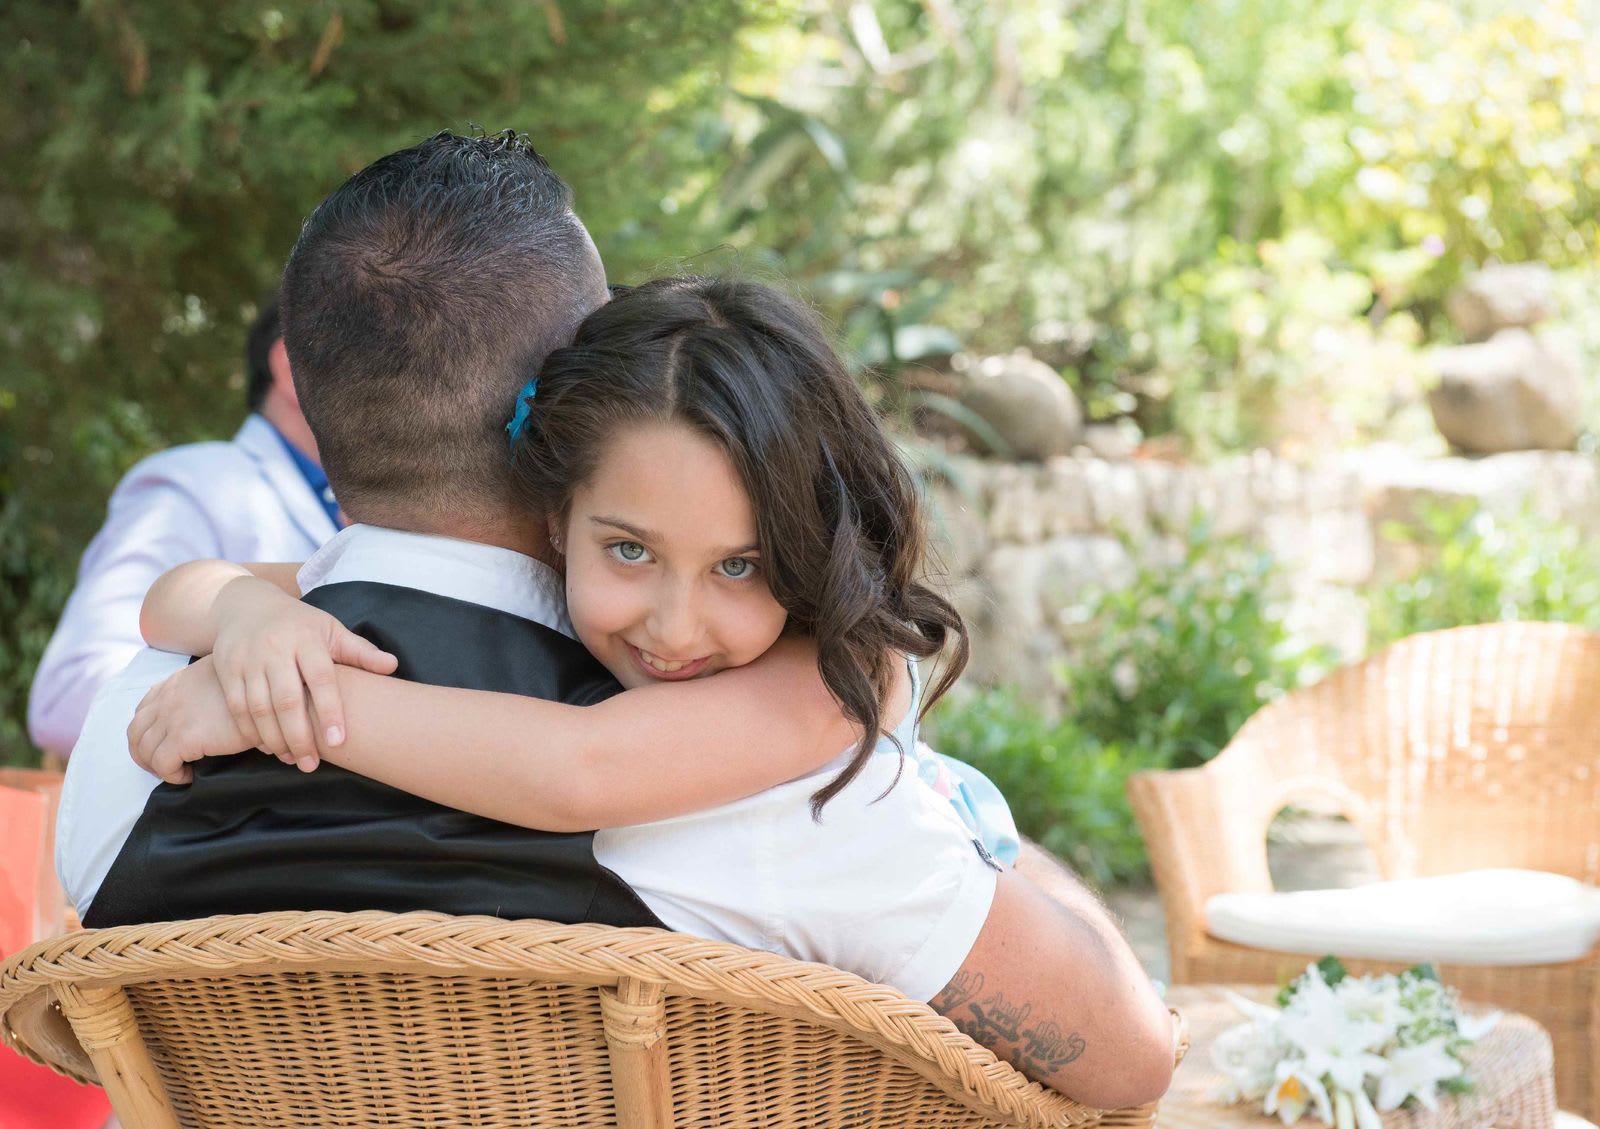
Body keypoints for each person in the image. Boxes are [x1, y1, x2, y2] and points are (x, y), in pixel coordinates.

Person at [59, 132, 1172, 1106]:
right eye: (634, 548)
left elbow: (201, 594)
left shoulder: (130, 746)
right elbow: (1125, 1057)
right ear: (582, 395)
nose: (683, 620)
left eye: (737, 563)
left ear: (306, 376)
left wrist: (252, 659)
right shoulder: (776, 793)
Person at [27, 303, 339, 758]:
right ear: (291, 370)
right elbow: (68, 693)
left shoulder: (380, 514)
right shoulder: (195, 487)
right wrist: (250, 709)